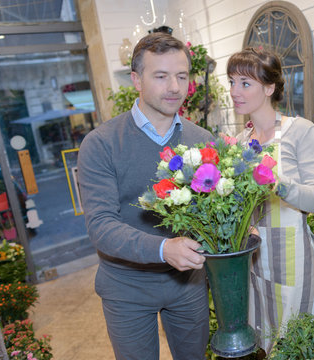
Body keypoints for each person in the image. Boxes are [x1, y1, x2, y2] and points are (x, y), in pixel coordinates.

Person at [77, 32, 214, 360]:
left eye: (182, 76)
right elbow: (101, 227)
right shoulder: (101, 144)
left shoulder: (203, 139)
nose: (174, 87)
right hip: (126, 286)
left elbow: (212, 208)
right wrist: (164, 248)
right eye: (161, 76)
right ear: (136, 80)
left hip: (188, 283)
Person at [227, 47, 314, 354]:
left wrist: (281, 186)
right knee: (264, 345)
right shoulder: (240, 142)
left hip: (294, 261)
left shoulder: (300, 131)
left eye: (245, 84)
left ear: (270, 88)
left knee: (296, 347)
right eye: (232, 82)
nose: (235, 91)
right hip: (255, 264)